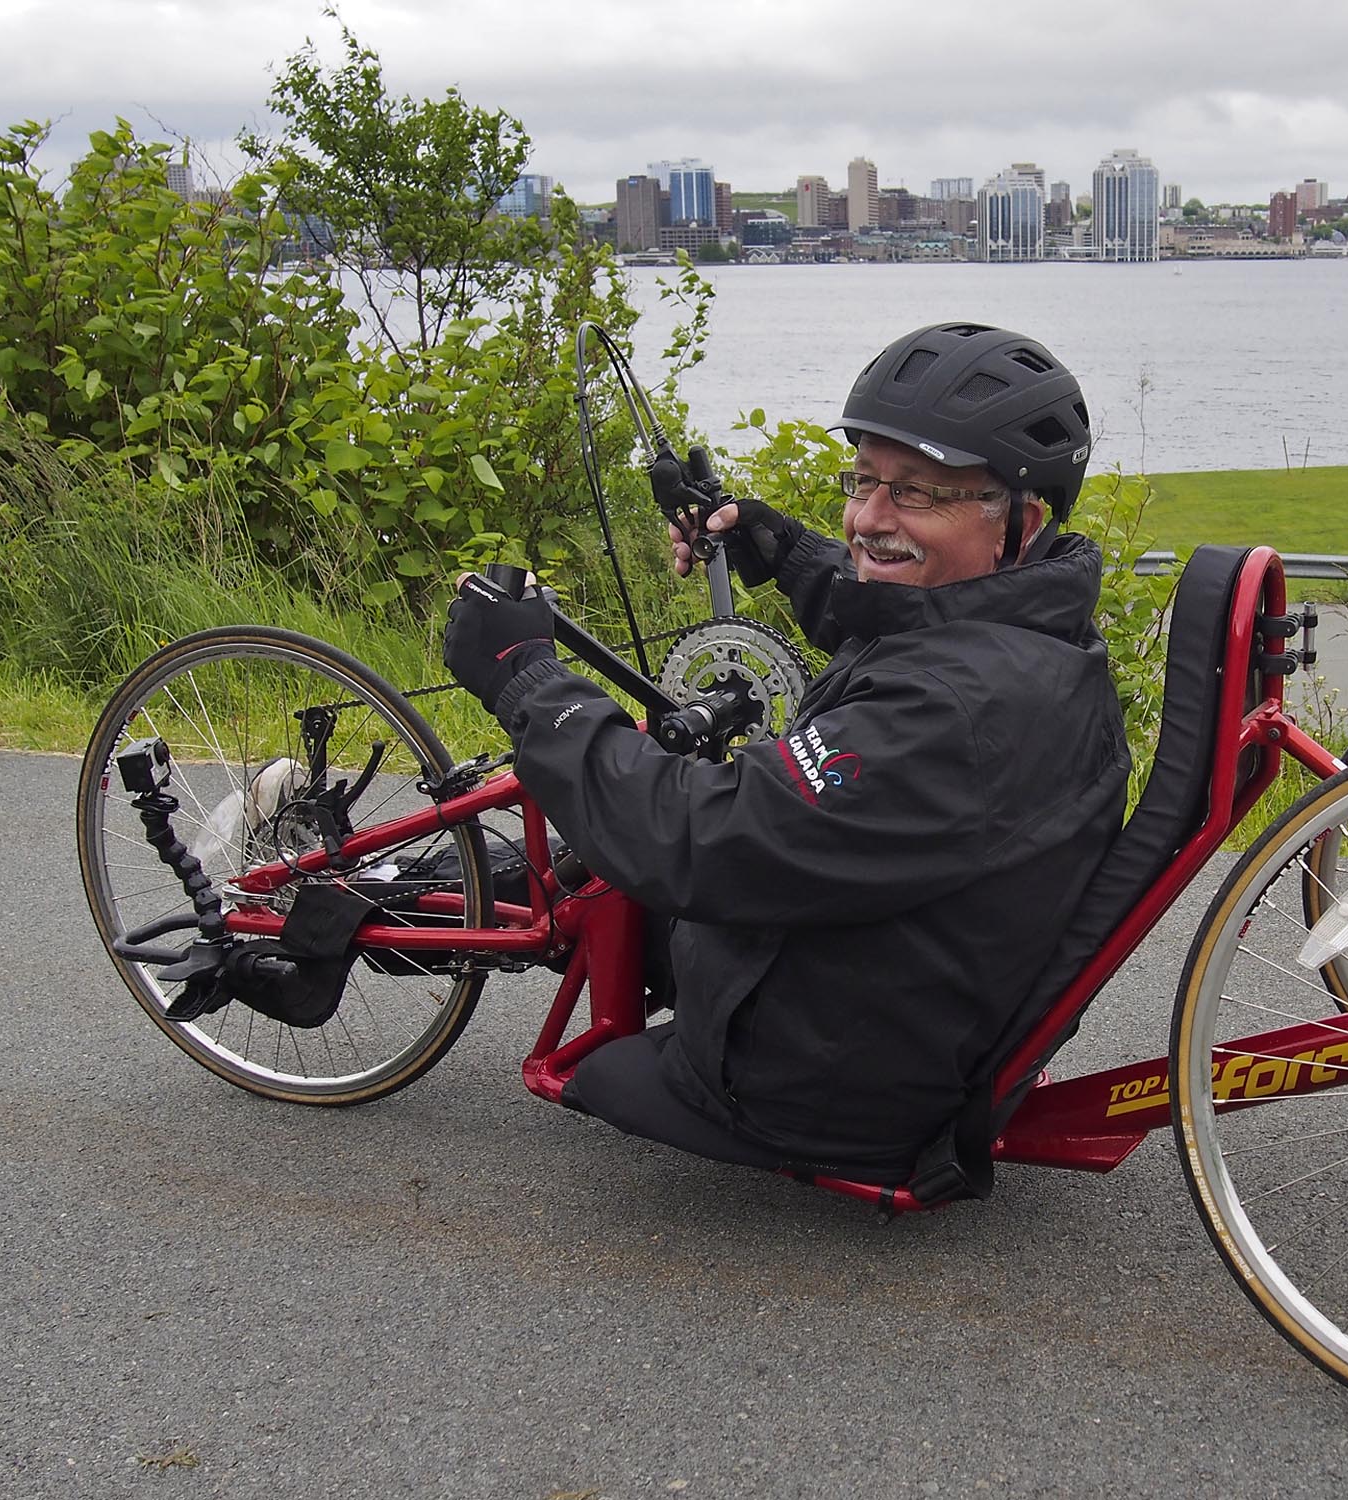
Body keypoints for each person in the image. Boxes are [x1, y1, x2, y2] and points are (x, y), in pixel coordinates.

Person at [442, 322, 1129, 1186]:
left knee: (606, 866)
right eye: (865, 481)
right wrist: (787, 550)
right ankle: (379, 898)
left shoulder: (948, 717)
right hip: (909, 999)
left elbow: (697, 838)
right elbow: (916, 628)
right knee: (568, 863)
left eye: (917, 494)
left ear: (1018, 524)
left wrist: (529, 684)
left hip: (812, 1085)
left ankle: (328, 923)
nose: (868, 518)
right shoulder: (1043, 632)